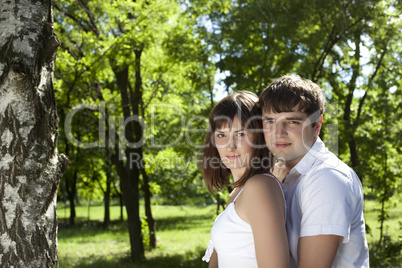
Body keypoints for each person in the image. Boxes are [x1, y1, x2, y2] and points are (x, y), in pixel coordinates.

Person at [258, 75, 369, 268]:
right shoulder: (283, 175)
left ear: (316, 126)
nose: (278, 132)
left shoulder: (326, 179)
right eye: (269, 121)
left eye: (292, 121)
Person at [200, 91, 290, 268]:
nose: (230, 145)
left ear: (259, 137)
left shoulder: (260, 187)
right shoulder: (238, 193)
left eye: (241, 134)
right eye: (221, 135)